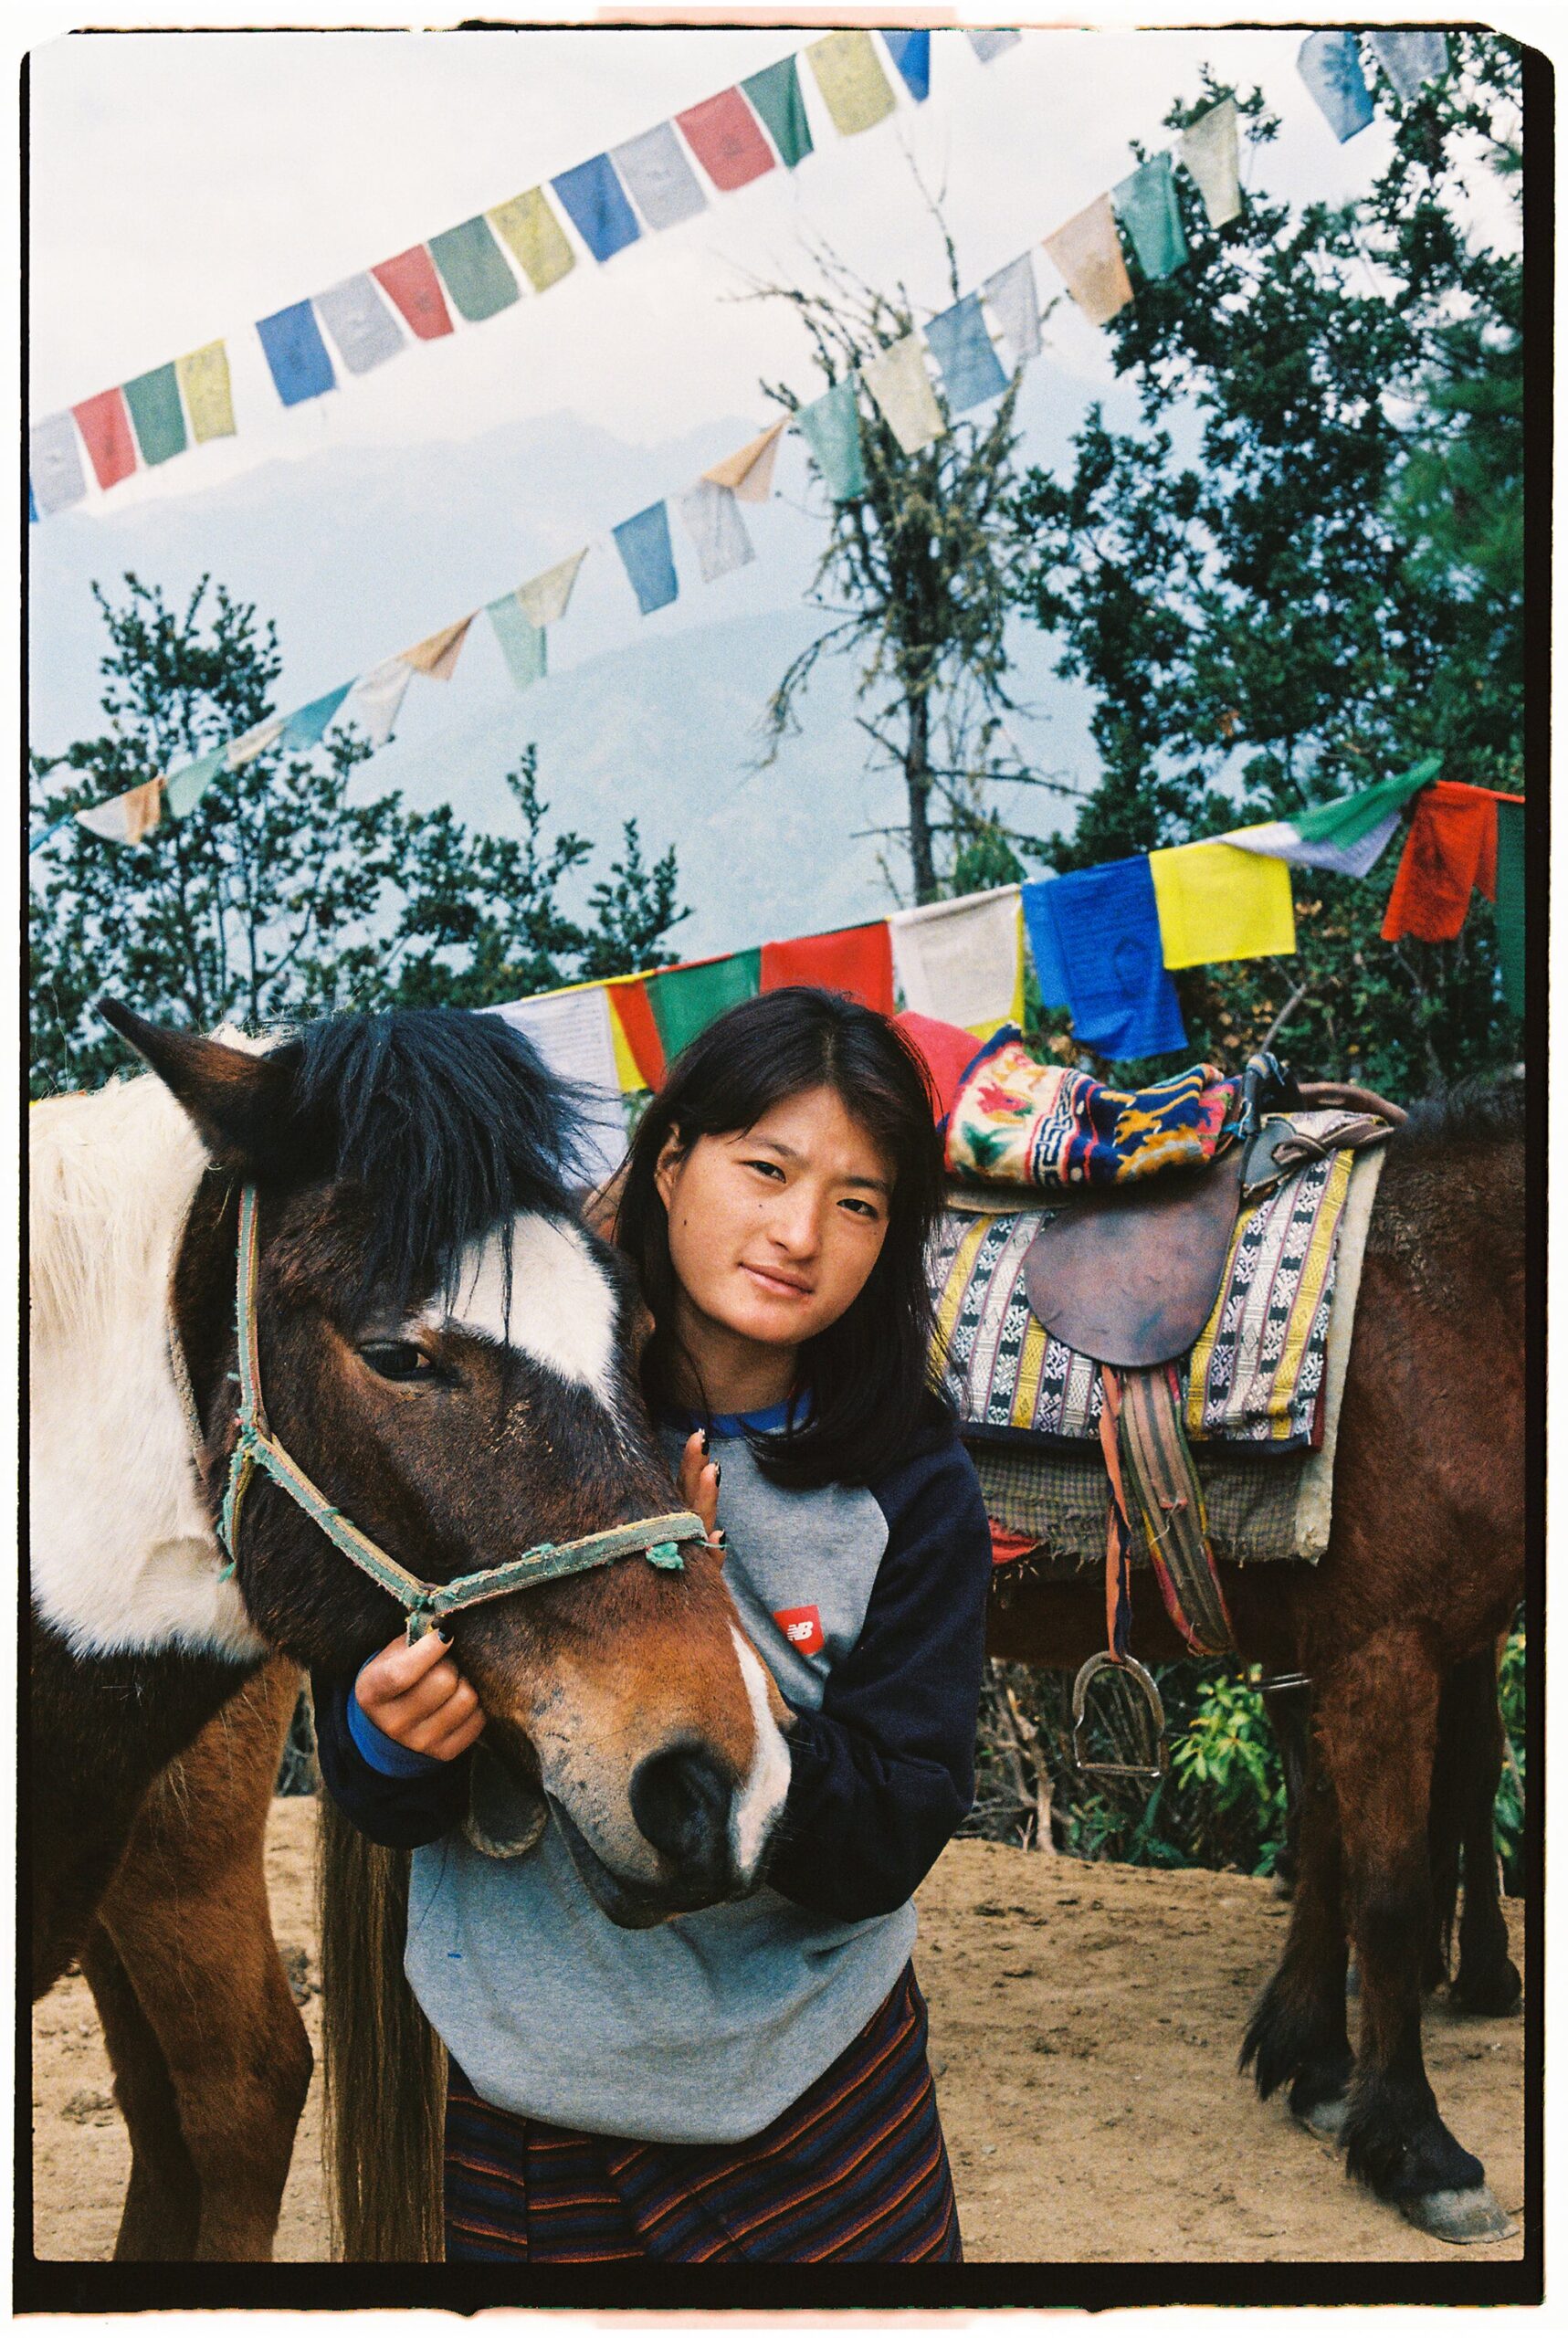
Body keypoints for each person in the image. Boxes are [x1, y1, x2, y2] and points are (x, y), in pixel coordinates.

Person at [311, 986, 993, 2264]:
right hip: (522, 2094)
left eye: (858, 1203)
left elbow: (893, 1833)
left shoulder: (912, 1486)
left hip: (811, 2095)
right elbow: (378, 1797)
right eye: (765, 1169)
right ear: (671, 1163)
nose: (800, 1233)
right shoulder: (496, 1412)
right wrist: (383, 1737)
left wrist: (705, 1625)